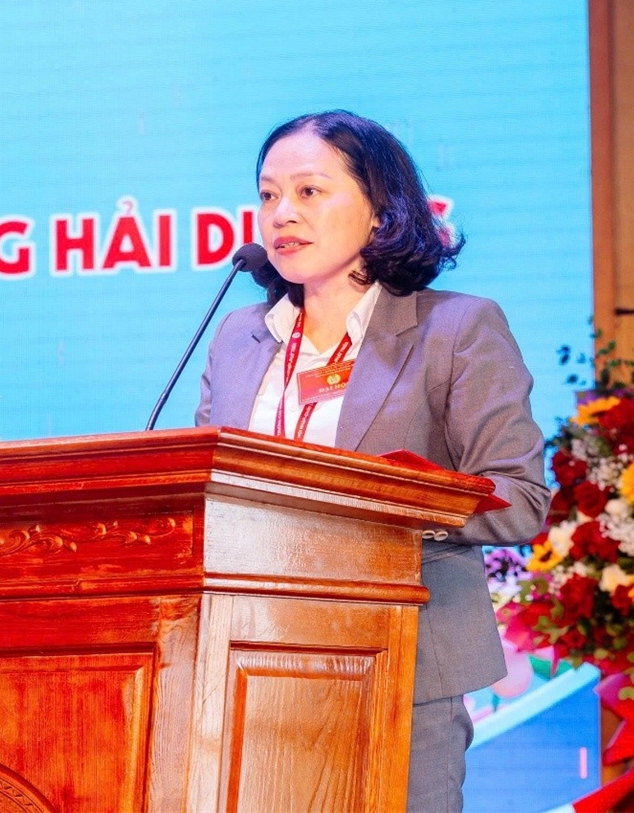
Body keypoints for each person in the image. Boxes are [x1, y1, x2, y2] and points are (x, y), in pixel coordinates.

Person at [195, 110, 549, 813]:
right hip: (247, 665)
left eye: (309, 191)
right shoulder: (238, 336)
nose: (281, 214)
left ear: (381, 210)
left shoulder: (455, 328)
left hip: (402, 663)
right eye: (268, 195)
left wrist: (391, 505)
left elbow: (520, 498)